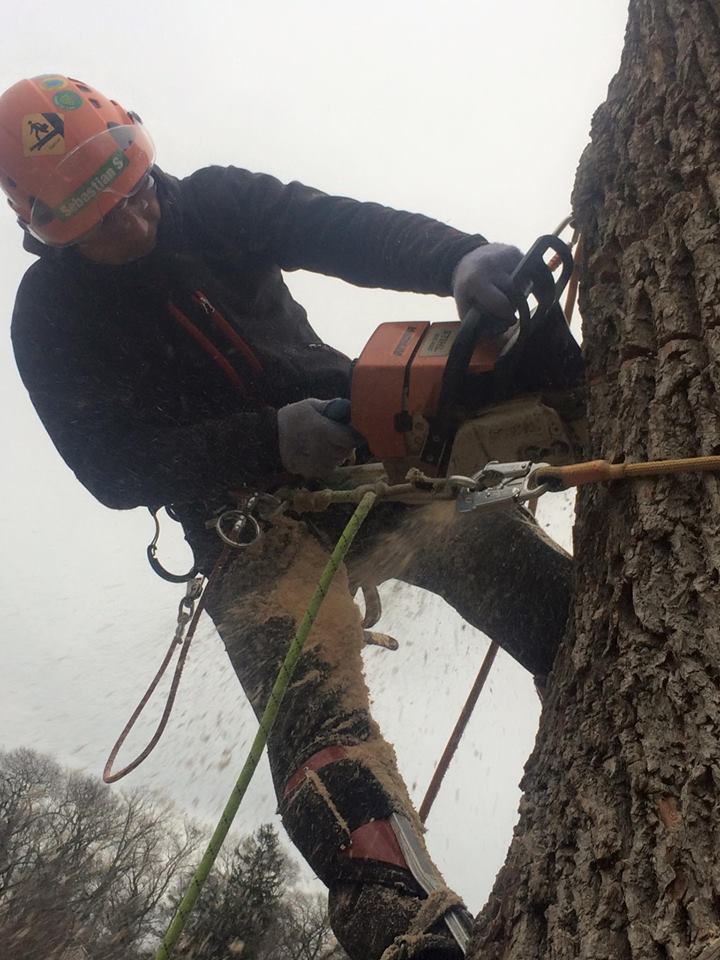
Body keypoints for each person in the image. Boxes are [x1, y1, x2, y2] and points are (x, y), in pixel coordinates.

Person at [3, 74, 573, 960]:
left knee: (524, 578)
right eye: (98, 214)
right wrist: (260, 440)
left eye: (134, 185)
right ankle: (407, 927)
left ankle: (599, 674)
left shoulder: (217, 201)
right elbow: (107, 467)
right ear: (44, 225)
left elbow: (336, 227)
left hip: (358, 447)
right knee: (313, 723)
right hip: (241, 522)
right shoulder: (50, 318)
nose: (134, 216)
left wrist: (455, 257)